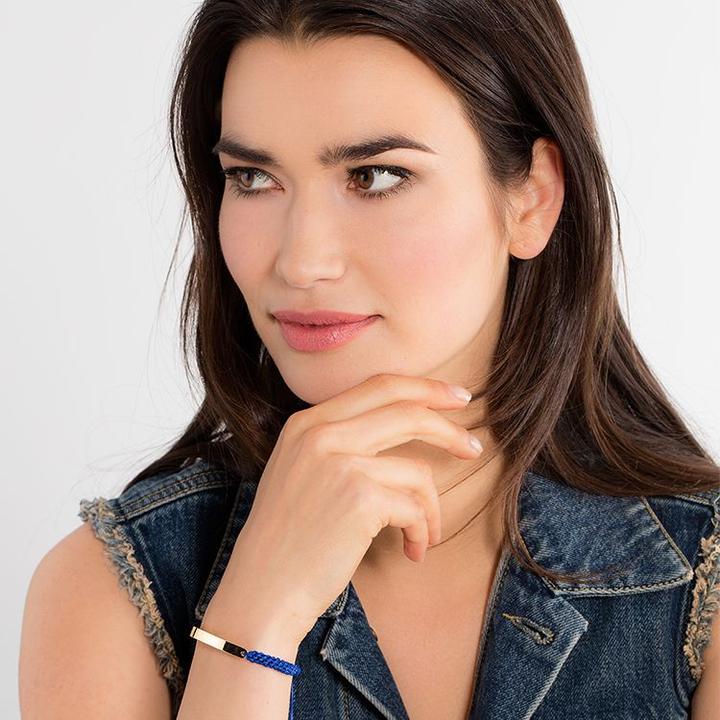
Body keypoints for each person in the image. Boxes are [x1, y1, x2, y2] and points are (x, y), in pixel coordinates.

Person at [19, 1, 720, 718]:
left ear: (532, 199)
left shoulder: (704, 583)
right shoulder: (109, 589)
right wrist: (253, 619)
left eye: (376, 176)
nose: (301, 262)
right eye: (252, 178)